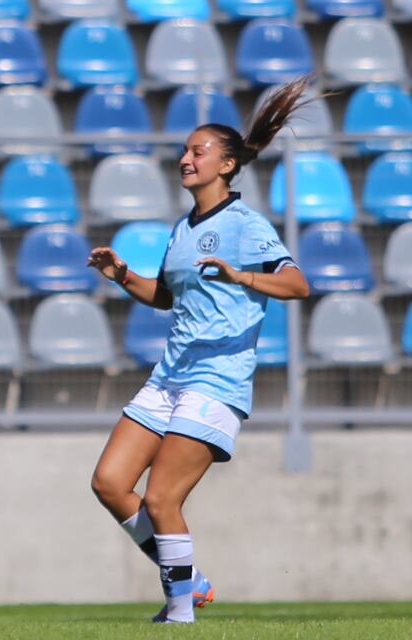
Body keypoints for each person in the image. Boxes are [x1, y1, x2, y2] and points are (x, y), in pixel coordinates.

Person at [88, 78, 312, 624]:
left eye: (198, 151)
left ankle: (180, 611)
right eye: (185, 151)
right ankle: (192, 581)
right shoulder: (183, 228)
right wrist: (123, 276)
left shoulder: (244, 226)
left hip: (217, 379)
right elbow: (165, 296)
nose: (185, 159)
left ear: (228, 164)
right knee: (110, 484)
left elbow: (298, 284)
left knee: (163, 500)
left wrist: (242, 277)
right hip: (170, 376)